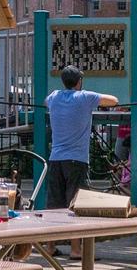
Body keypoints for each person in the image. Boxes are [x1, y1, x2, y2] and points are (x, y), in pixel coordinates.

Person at [44, 66, 118, 255]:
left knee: (55, 204)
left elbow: (47, 102)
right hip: (76, 159)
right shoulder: (85, 97)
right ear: (79, 82)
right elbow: (113, 101)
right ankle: (76, 249)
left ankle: (50, 246)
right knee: (76, 204)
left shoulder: (54, 97)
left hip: (55, 159)